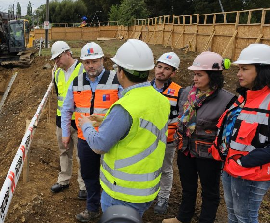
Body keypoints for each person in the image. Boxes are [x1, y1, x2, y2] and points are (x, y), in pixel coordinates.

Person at [78, 39, 171, 217]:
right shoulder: (160, 99)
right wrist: (106, 120)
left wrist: (87, 125)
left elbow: (99, 145)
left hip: (122, 191)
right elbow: (139, 128)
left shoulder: (125, 107)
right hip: (147, 188)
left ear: (121, 72)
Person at [163, 51, 236, 223]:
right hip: (185, 149)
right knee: (188, 187)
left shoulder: (227, 100)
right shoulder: (186, 93)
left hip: (208, 155)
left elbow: (226, 133)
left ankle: (206, 219)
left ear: (213, 76)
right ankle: (183, 217)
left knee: (209, 191)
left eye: (200, 75)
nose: (195, 78)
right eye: (194, 74)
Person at [209, 44, 270, 223]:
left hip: (251, 173)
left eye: (244, 69)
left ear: (262, 71)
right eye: (239, 69)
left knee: (246, 218)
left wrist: (245, 162)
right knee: (233, 215)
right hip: (231, 167)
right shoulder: (245, 97)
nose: (238, 74)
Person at [61, 42, 120, 222]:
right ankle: (92, 208)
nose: (91, 66)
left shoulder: (115, 79)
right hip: (85, 138)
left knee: (112, 176)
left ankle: (114, 210)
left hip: (110, 139)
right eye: (87, 62)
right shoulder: (77, 82)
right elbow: (66, 109)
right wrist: (65, 133)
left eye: (94, 61)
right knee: (89, 174)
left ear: (102, 60)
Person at [49, 41, 87, 200]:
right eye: (55, 59)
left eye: (58, 58)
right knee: (64, 151)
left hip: (79, 120)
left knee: (82, 154)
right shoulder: (57, 73)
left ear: (68, 53)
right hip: (62, 120)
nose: (56, 62)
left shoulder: (82, 70)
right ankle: (63, 180)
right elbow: (59, 96)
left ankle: (84, 185)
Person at [151, 52, 182, 214]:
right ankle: (149, 193)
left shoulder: (179, 92)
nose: (161, 71)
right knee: (148, 167)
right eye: (159, 66)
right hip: (146, 139)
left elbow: (182, 117)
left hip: (167, 140)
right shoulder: (146, 88)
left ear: (173, 72)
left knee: (165, 169)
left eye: (166, 68)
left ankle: (163, 197)